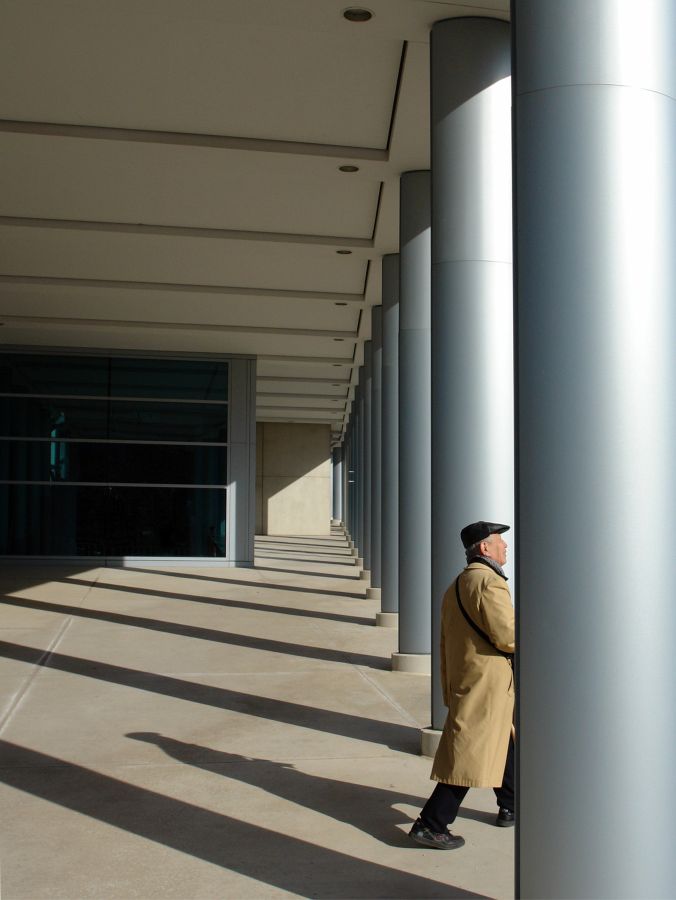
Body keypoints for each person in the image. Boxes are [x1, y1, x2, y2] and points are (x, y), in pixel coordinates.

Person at [409, 520, 515, 850]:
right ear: (484, 548)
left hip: (469, 678)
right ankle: (431, 823)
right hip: (488, 682)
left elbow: (446, 641)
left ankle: (511, 803)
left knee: (503, 740)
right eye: (499, 541)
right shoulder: (489, 583)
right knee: (468, 754)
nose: (505, 546)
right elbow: (507, 635)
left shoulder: (456, 585)